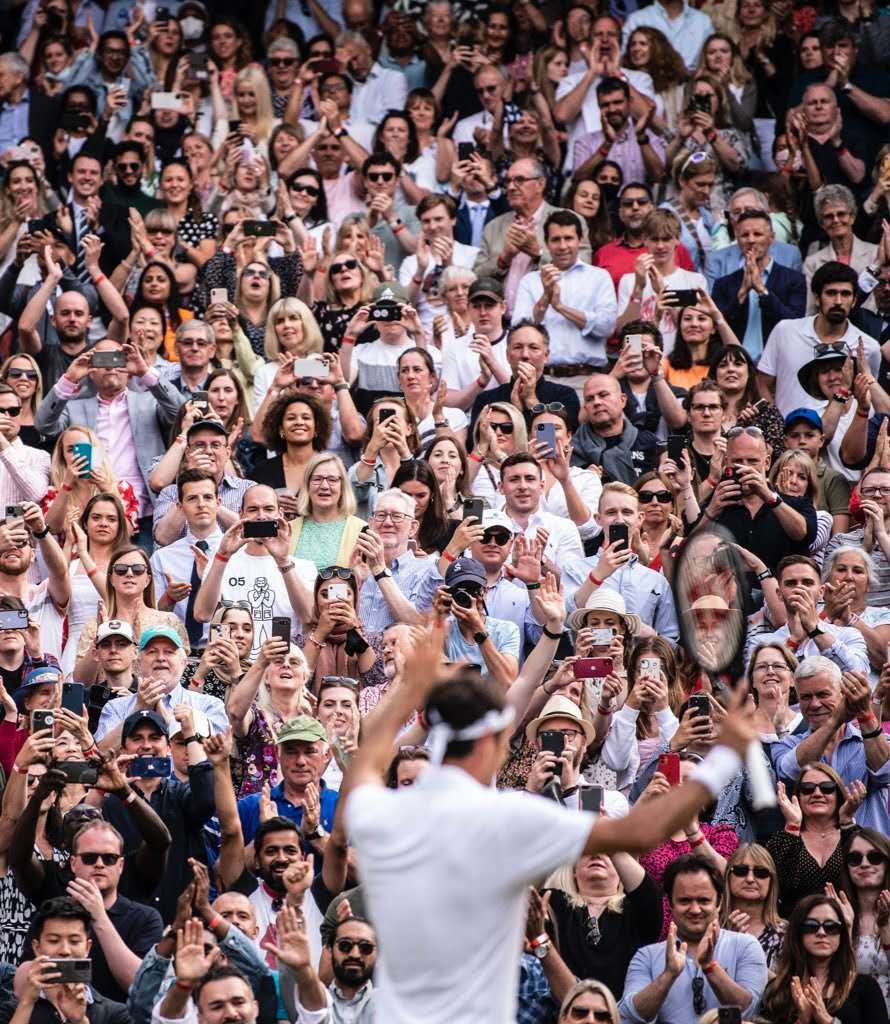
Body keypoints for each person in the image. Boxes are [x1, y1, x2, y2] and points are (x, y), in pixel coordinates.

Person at [344, 621, 760, 1022]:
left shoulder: (384, 810)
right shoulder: (508, 817)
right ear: (492, 743)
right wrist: (725, 755)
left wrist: (411, 690)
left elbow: (363, 764)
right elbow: (641, 832)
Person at [35, 338, 185, 549]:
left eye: (117, 358)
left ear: (128, 369)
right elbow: (43, 425)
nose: (110, 366)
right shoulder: (75, 407)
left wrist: (145, 372)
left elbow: (182, 413)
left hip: (144, 512)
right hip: (93, 514)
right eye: (102, 359)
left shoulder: (149, 402)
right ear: (91, 370)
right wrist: (69, 379)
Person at [619, 854, 768, 1024]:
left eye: (704, 900)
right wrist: (669, 975)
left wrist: (710, 967)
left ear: (719, 902)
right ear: (670, 904)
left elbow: (748, 1009)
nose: (695, 910)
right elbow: (630, 1015)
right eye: (685, 901)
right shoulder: (647, 956)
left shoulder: (746, 946)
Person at [192, 485, 314, 657]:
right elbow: (202, 614)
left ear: (280, 514)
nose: (261, 516)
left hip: (283, 665)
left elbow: (309, 617)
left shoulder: (303, 567)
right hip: (232, 664)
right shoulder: (220, 562)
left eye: (268, 509)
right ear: (241, 514)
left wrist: (283, 561)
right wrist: (223, 556)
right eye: (253, 509)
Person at [543, 840, 662, 999]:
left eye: (607, 853)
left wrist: (608, 838)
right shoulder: (554, 903)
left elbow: (648, 894)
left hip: (622, 1010)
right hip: (564, 1008)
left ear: (622, 870)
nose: (596, 855)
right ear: (574, 871)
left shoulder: (635, 909)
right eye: (587, 852)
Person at [473, 156, 591, 310]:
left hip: (549, 317)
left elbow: (582, 272)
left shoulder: (569, 221)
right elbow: (476, 279)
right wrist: (503, 259)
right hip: (502, 320)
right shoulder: (493, 227)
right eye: (508, 181)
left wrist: (538, 253)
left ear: (540, 184)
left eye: (520, 180)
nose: (511, 187)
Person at [565, 483, 679, 639]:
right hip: (590, 654)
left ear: (640, 518)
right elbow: (565, 621)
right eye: (611, 512)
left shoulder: (656, 581)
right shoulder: (574, 569)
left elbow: (671, 640)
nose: (619, 519)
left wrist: (652, 636)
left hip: (639, 654)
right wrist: (596, 576)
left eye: (627, 512)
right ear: (598, 519)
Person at [513, 210, 618, 375]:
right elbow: (519, 330)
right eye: (556, 239)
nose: (562, 246)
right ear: (546, 243)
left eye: (568, 238)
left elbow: (607, 327)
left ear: (580, 240)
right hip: (543, 376)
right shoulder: (530, 281)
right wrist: (545, 298)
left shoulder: (599, 277)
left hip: (587, 376)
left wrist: (561, 307)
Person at [699, 426, 817, 571]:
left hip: (778, 584)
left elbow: (804, 535)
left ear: (767, 463)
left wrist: (769, 497)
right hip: (728, 584)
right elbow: (690, 549)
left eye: (752, 461)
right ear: (726, 462)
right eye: (737, 461)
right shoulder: (717, 500)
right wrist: (711, 512)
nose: (745, 468)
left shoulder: (795, 502)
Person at [759, 893, 888, 1024]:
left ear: (841, 934)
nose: (821, 932)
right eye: (811, 926)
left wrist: (827, 1020)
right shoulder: (777, 990)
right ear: (797, 932)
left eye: (831, 927)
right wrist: (802, 1020)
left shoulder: (865, 987)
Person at [13, 897, 130, 1024]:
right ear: (37, 948)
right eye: (54, 941)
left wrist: (80, 1021)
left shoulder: (116, 1014)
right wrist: (27, 1002)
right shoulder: (13, 1009)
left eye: (74, 941)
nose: (65, 950)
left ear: (87, 948)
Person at [711, 210, 808, 359]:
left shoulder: (793, 279)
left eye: (757, 234)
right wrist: (742, 293)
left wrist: (762, 291)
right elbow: (716, 327)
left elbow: (794, 324)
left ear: (771, 238)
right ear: (737, 239)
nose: (751, 240)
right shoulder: (723, 284)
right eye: (745, 235)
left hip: (778, 360)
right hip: (735, 362)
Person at [615, 209, 707, 356]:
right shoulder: (629, 280)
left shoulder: (695, 281)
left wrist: (663, 292)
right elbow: (623, 332)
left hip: (680, 361)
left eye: (666, 239)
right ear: (645, 240)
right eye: (654, 239)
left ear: (677, 239)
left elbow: (694, 332)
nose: (660, 246)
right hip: (641, 360)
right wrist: (638, 288)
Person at [149, 470, 223, 651]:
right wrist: (169, 598)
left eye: (208, 497)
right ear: (180, 507)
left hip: (223, 650)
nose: (201, 504)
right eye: (192, 498)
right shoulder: (163, 557)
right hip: (175, 650)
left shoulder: (236, 554)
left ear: (218, 503)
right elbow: (151, 617)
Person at [469, 321, 580, 436]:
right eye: (517, 347)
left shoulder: (564, 396)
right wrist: (515, 412)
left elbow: (549, 443)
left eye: (534, 348)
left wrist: (532, 401)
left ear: (546, 355)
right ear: (507, 355)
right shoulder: (487, 400)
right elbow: (475, 443)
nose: (525, 355)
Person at [572, 373, 659, 483]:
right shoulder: (572, 450)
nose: (596, 402)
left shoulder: (650, 443)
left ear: (622, 400)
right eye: (589, 399)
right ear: (585, 408)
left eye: (603, 395)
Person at [804, 185, 878, 313]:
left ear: (852, 217)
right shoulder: (812, 263)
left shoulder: (875, 254)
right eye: (828, 216)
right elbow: (810, 310)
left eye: (841, 214)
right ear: (822, 224)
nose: (836, 220)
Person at [826, 467, 890, 607]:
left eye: (886, 490)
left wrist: (881, 534)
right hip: (849, 616)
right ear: (860, 497)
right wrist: (865, 549)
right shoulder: (840, 541)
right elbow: (829, 588)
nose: (877, 495)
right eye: (870, 490)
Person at [842, 827, 890, 1010]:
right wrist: (846, 928)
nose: (864, 864)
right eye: (855, 859)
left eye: (874, 857)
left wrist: (886, 930)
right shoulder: (836, 914)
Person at [721, 844, 787, 969]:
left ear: (771, 881)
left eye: (761, 872)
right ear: (728, 877)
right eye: (741, 871)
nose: (750, 879)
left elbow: (786, 981)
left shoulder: (786, 934)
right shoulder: (711, 927)